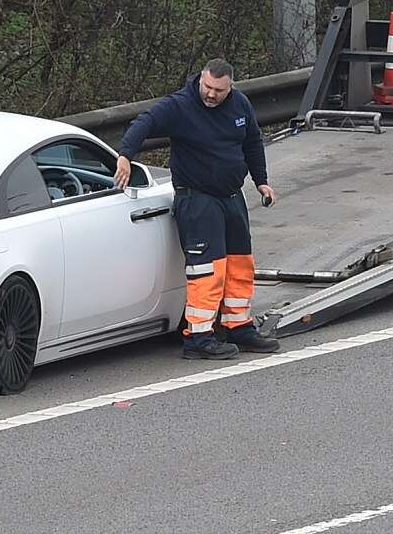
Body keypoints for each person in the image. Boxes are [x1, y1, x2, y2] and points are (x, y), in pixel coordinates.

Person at [116, 58, 280, 360]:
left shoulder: (239, 104)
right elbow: (145, 122)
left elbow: (253, 142)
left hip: (231, 196)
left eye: (219, 89)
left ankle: (238, 326)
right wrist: (126, 154)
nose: (211, 94)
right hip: (197, 198)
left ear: (230, 86)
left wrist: (262, 181)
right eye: (207, 87)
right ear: (200, 80)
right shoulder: (180, 105)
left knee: (239, 264)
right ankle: (199, 336)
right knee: (208, 269)